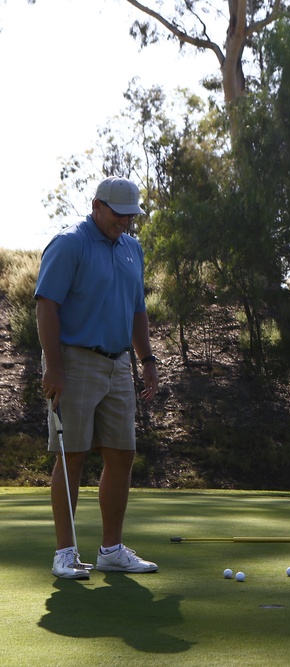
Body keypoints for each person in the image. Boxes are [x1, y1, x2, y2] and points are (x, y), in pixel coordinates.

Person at [35, 176, 160, 579]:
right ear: (97, 206)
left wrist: (148, 359)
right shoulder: (70, 243)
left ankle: (111, 549)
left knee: (122, 453)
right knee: (72, 456)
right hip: (74, 361)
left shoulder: (132, 248)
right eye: (119, 215)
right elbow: (46, 306)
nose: (124, 223)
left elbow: (137, 308)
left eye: (130, 216)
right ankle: (65, 553)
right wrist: (53, 367)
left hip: (119, 363)